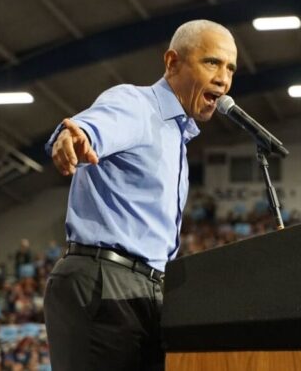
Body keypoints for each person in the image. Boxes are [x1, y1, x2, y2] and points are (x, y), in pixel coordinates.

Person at [42, 20, 237, 371]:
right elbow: (92, 126)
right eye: (212, 62)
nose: (224, 78)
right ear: (172, 62)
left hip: (147, 292)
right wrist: (72, 135)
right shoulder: (137, 105)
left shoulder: (176, 137)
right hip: (105, 285)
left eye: (230, 68)